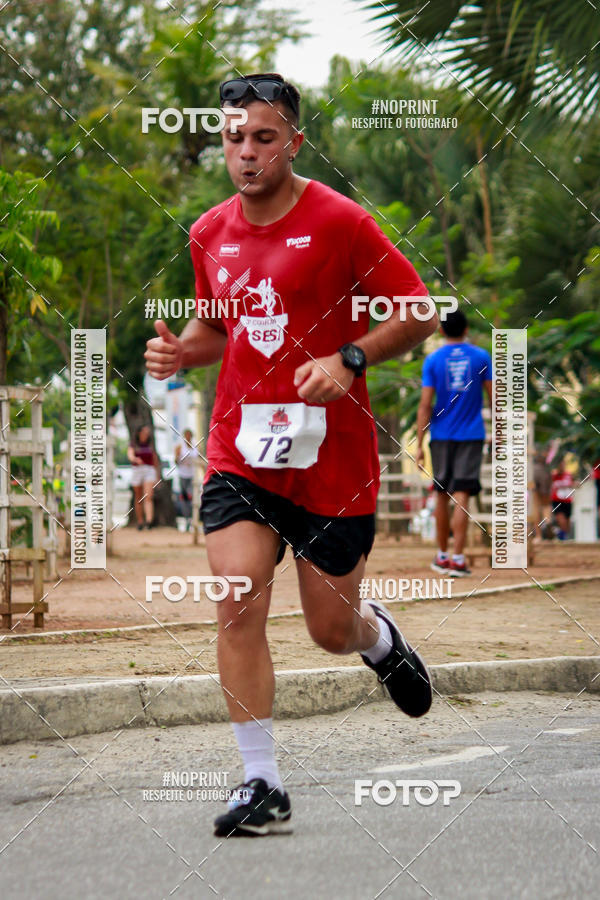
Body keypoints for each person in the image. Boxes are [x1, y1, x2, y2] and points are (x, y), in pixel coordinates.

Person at [145, 72, 437, 838]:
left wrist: (349, 359)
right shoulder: (209, 232)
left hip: (332, 466)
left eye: (264, 137)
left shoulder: (340, 221)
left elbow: (418, 310)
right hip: (241, 454)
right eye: (234, 137)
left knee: (327, 632)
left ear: (293, 142)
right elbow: (219, 328)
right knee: (237, 598)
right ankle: (261, 780)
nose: (246, 153)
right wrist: (183, 353)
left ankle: (376, 637)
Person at [416, 309, 492, 576]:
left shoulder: (433, 360)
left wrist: (419, 443)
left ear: (441, 331)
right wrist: (501, 433)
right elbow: (495, 399)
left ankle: (441, 555)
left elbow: (425, 404)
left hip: (440, 436)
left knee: (441, 493)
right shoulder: (481, 357)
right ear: (467, 328)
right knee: (463, 493)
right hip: (471, 434)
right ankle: (458, 558)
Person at [127, 424, 160, 530]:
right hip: (137, 471)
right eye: (144, 433)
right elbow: (130, 455)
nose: (146, 435)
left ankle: (149, 521)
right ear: (139, 433)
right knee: (139, 498)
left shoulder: (150, 445)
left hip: (149, 470)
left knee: (148, 496)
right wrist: (135, 460)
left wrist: (157, 476)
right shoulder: (133, 445)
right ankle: (140, 521)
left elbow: (155, 460)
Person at [175, 428, 200, 530]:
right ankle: (187, 519)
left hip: (192, 475)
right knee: (184, 498)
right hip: (183, 475)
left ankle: (193, 518)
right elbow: (176, 461)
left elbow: (199, 459)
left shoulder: (195, 447)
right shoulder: (180, 447)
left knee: (192, 497)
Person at [550, 457, 574, 540]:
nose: (562, 466)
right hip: (557, 500)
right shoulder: (553, 475)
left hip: (568, 500)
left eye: (563, 464)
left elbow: (573, 484)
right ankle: (562, 536)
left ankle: (564, 537)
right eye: (561, 464)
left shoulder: (568, 475)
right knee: (562, 521)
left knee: (567, 522)